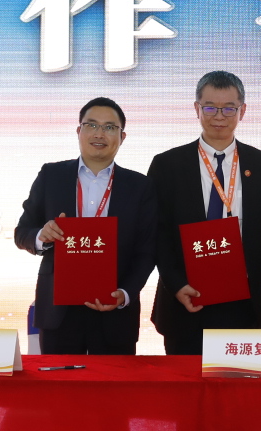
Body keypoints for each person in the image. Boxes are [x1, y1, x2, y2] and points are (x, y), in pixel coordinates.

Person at [146, 70, 261, 355]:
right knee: (186, 383)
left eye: (229, 108)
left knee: (239, 382)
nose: (219, 116)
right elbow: (156, 233)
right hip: (186, 299)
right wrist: (176, 284)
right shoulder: (167, 165)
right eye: (210, 107)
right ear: (197, 109)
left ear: (242, 111)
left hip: (245, 303)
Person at [13, 98, 158, 355]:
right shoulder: (51, 175)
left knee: (113, 382)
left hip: (114, 310)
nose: (99, 133)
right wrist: (41, 236)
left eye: (109, 127)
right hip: (58, 310)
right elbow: (22, 232)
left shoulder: (140, 186)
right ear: (79, 131)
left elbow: (147, 250)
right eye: (91, 125)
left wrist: (125, 293)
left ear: (122, 137)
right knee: (60, 381)